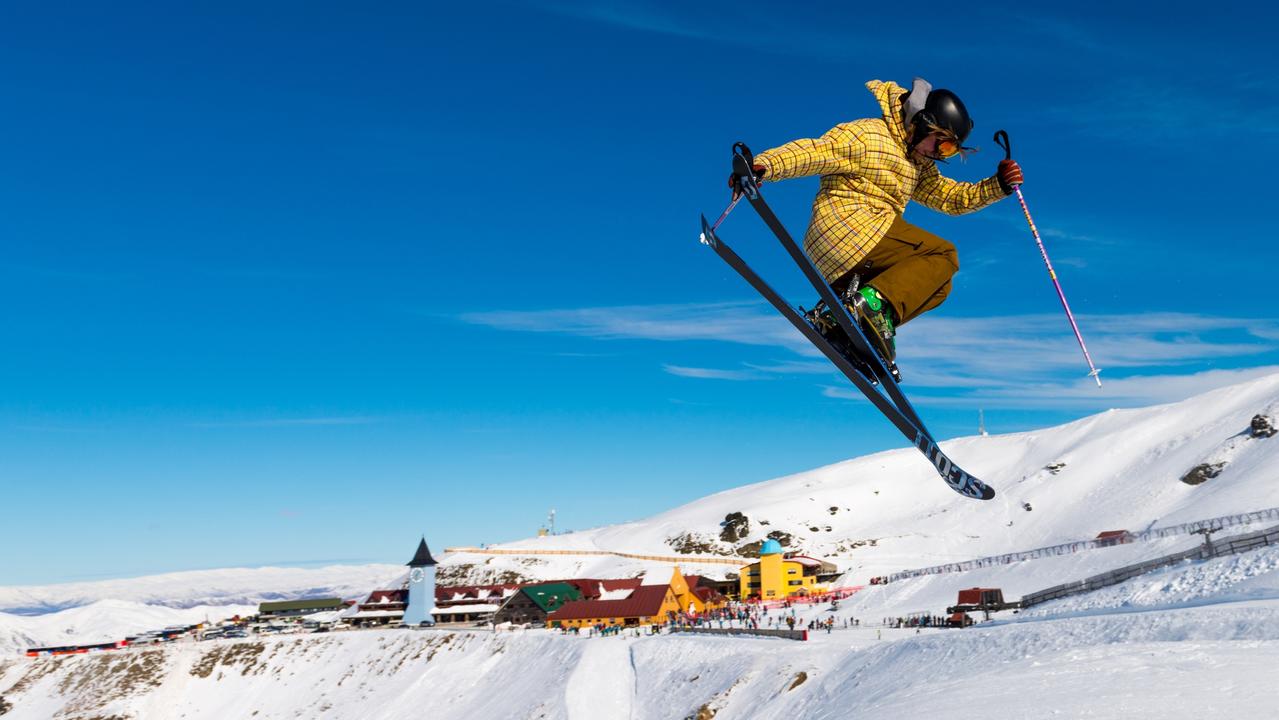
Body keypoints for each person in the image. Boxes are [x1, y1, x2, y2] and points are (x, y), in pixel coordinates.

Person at [730, 77, 1023, 365]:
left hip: (839, 260)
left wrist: (997, 186)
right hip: (850, 225)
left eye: (948, 151)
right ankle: (869, 306)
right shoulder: (870, 136)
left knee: (936, 285)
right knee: (942, 255)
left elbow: (949, 197)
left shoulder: (917, 164)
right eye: (942, 145)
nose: (938, 154)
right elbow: (816, 151)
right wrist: (763, 166)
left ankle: (842, 323)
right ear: (922, 122)